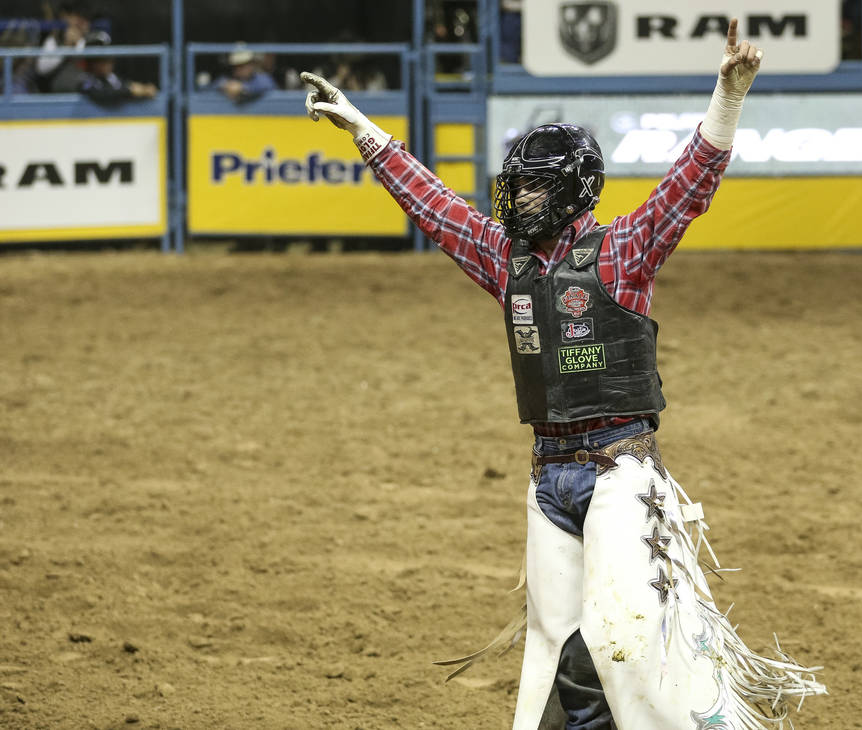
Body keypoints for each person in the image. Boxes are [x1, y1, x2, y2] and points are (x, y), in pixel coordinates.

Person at [302, 18, 826, 730]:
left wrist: (727, 94)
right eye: (512, 189)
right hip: (549, 473)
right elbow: (433, 205)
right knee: (556, 647)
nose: (513, 202)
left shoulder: (623, 251)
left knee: (618, 641)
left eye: (528, 191)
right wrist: (363, 128)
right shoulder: (505, 259)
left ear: (571, 192)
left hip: (621, 473)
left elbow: (689, 185)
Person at [61, 30, 157, 103]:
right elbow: (102, 94)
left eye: (109, 58)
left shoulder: (111, 77)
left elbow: (121, 85)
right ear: (91, 61)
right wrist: (129, 91)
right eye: (101, 59)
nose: (107, 63)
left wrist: (142, 89)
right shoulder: (81, 78)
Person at [211, 44, 276, 103]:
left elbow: (267, 85)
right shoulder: (227, 78)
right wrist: (225, 86)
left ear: (252, 64)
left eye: (242, 65)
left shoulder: (261, 78)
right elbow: (214, 85)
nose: (238, 69)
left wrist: (243, 88)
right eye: (235, 66)